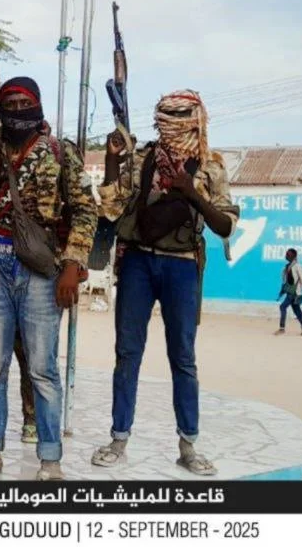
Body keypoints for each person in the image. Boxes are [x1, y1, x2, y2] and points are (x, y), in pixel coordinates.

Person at [91, 90, 239, 477]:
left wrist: (192, 194)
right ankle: (119, 438)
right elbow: (111, 206)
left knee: (183, 358)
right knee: (127, 352)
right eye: (165, 115)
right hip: (139, 259)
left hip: (183, 265)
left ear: (196, 118)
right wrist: (111, 159)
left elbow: (224, 225)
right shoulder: (145, 159)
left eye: (180, 115)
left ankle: (188, 445)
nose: (171, 123)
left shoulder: (210, 167)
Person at [0, 77, 96, 481]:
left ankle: (50, 460)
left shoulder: (58, 151)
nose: (16, 110)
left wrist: (73, 262)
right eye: (9, 103)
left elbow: (85, 210)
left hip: (41, 265)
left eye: (23, 102)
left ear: (37, 105)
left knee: (42, 369)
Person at [276, 248, 302, 336]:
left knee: (283, 307)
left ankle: (282, 328)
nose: (286, 256)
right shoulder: (287, 267)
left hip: (295, 292)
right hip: (290, 291)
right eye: (286, 254)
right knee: (297, 311)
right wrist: (282, 291)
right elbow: (285, 281)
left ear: (293, 256)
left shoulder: (297, 266)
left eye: (288, 254)